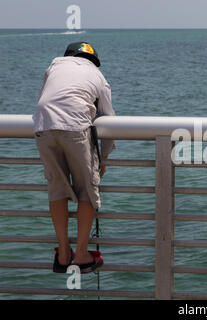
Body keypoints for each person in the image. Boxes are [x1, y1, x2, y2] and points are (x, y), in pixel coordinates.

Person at [33, 42, 115, 273]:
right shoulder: (98, 76)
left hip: (43, 124)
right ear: (93, 61)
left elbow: (46, 98)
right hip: (75, 127)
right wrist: (104, 159)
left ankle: (62, 253)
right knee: (86, 191)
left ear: (68, 55)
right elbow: (109, 116)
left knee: (57, 188)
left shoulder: (55, 65)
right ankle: (80, 253)